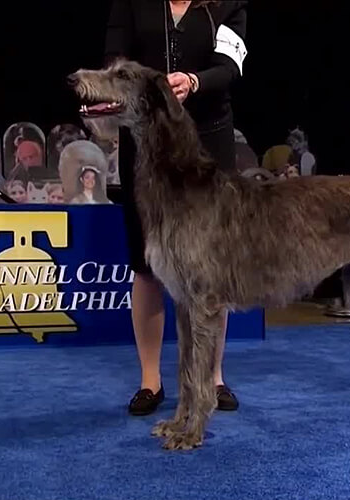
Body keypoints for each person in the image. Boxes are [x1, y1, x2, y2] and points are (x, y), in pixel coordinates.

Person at [103, 0, 248, 415]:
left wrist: (193, 82)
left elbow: (230, 65)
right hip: (146, 143)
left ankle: (213, 377)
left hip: (209, 140)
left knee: (211, 267)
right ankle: (151, 381)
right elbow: (115, 60)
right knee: (146, 264)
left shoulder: (228, 5)